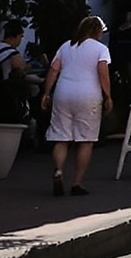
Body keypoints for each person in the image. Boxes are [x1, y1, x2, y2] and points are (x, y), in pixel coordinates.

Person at [41, 13, 114, 196]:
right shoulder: (100, 49)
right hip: (88, 96)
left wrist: (46, 93)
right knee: (85, 140)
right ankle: (77, 183)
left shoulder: (66, 46)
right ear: (97, 31)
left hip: (63, 93)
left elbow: (53, 69)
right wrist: (108, 96)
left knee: (61, 137)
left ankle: (58, 170)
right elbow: (103, 72)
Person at [0, 22, 35, 129]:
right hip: (8, 92)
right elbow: (21, 66)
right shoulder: (9, 51)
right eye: (21, 36)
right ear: (15, 36)